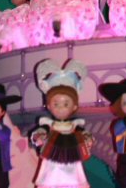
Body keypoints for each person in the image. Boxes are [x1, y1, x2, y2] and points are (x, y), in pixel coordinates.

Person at [31, 59, 92, 188]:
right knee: (50, 180)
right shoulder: (48, 124)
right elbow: (39, 134)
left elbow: (85, 136)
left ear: (74, 106)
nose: (60, 108)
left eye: (65, 104)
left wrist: (87, 138)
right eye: (56, 104)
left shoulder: (75, 125)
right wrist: (39, 136)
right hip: (52, 165)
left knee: (74, 180)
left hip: (72, 165)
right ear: (49, 106)